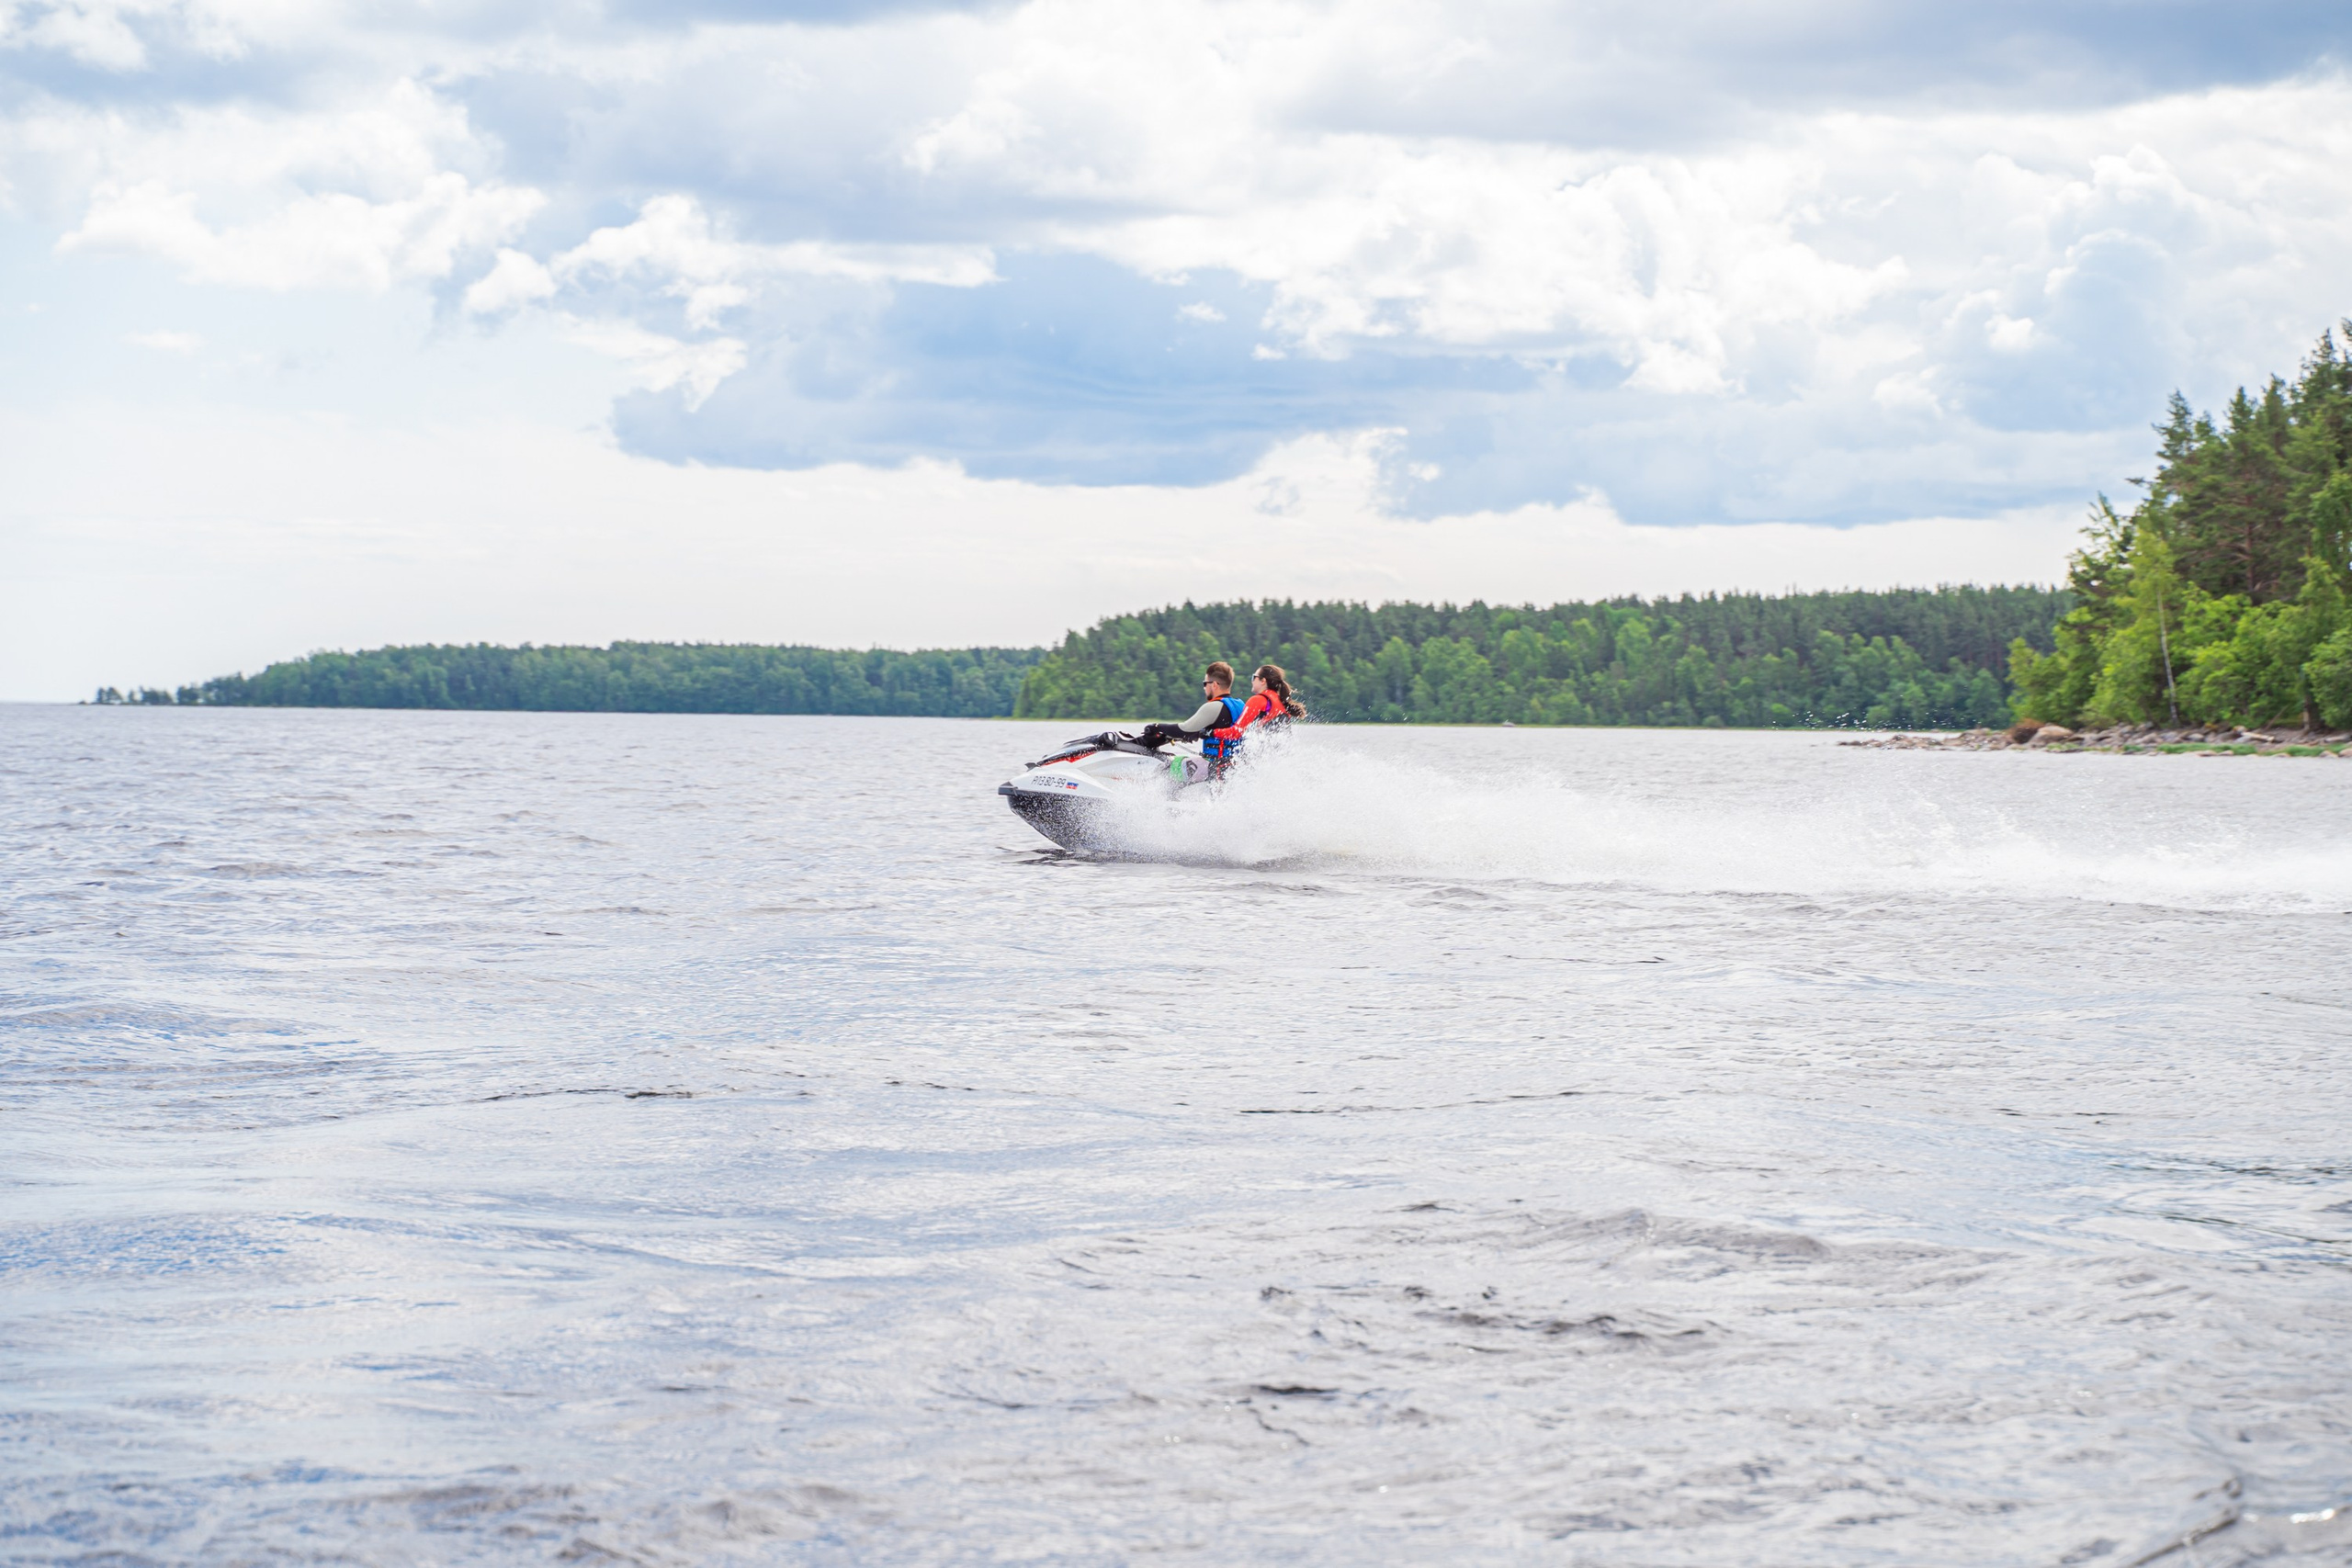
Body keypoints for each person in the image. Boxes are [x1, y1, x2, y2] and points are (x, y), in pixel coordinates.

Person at [1138, 662, 1249, 769]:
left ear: (1214, 685)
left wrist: (1156, 727)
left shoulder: (1214, 706)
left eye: (1205, 683)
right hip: (1234, 767)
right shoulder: (1241, 706)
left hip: (1215, 767)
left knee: (1167, 768)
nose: (1204, 688)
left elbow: (1184, 729)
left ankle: (1140, 785)